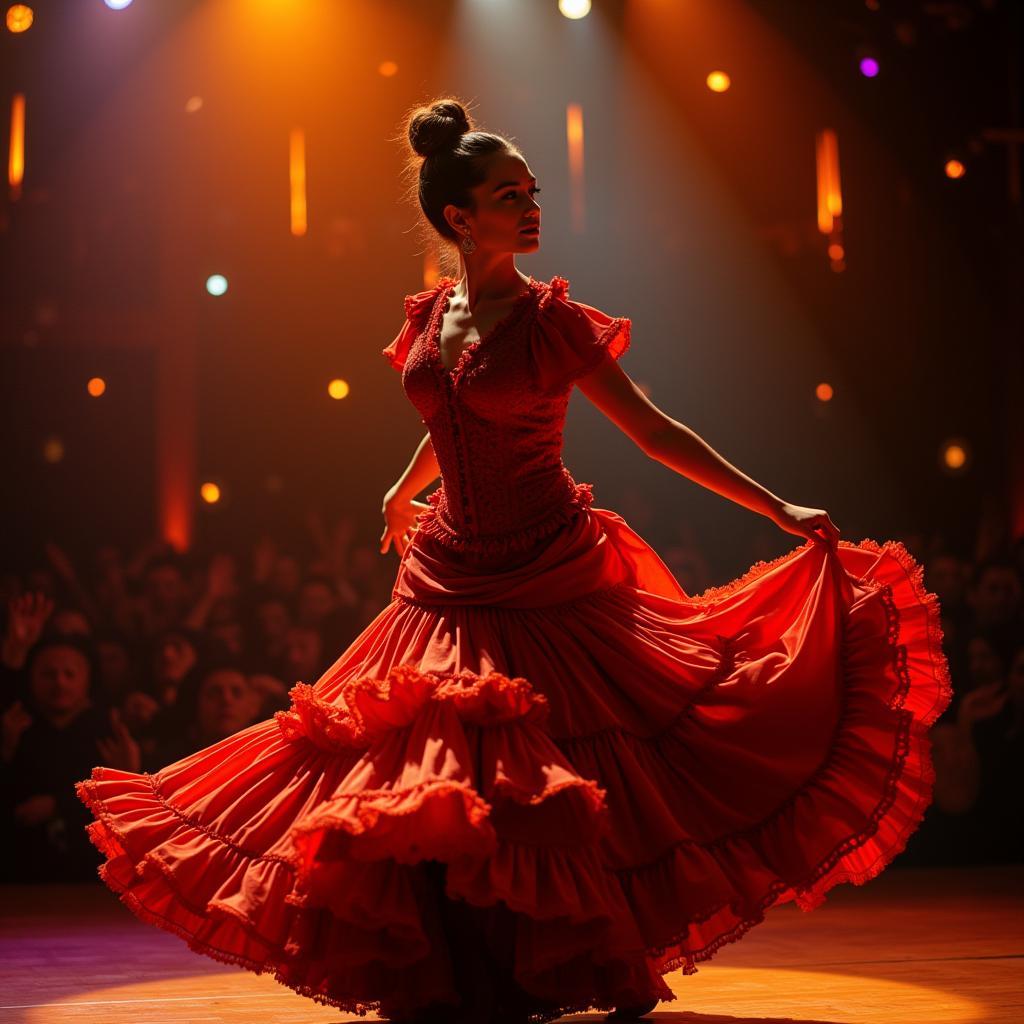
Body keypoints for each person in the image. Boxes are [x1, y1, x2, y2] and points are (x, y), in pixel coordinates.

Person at [75, 98, 952, 1024]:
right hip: (450, 568)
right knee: (429, 771)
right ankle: (463, 964)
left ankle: (559, 952)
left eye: (532, 191)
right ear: (461, 218)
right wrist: (399, 489)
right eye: (510, 194)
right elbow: (449, 417)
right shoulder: (431, 315)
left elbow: (653, 433)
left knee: (568, 770)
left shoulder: (550, 324)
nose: (533, 208)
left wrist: (774, 504)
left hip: (545, 569)